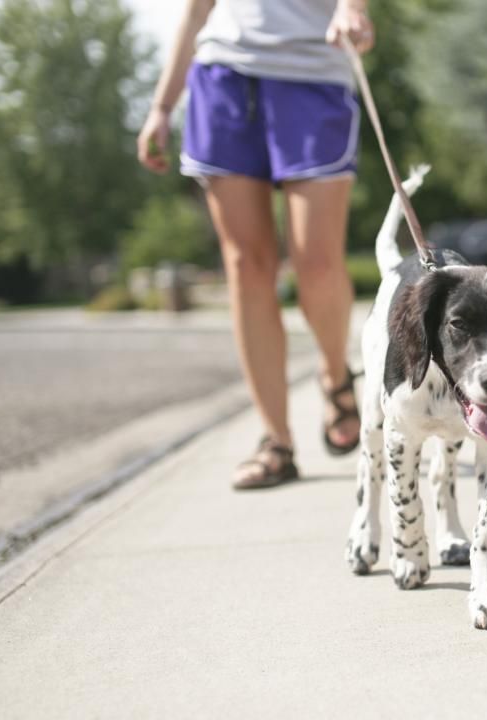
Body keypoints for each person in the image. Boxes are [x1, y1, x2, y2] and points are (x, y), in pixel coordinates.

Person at [137, 0, 375, 489]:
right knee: (246, 266)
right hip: (222, 78)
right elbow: (197, 9)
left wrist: (353, 8)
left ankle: (334, 374)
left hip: (312, 74)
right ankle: (277, 441)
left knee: (317, 264)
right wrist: (162, 106)